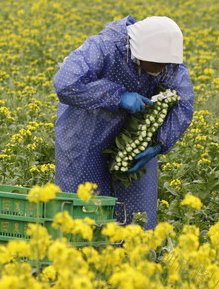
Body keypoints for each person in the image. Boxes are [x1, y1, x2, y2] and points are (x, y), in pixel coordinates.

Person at [53, 16, 195, 230]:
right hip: (85, 131)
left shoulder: (167, 63)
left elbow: (184, 103)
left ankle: (132, 256)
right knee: (83, 202)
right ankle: (83, 257)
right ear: (139, 52)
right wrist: (117, 97)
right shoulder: (104, 47)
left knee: (136, 208)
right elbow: (66, 83)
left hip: (135, 138)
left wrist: (158, 143)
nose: (162, 69)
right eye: (157, 64)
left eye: (166, 65)